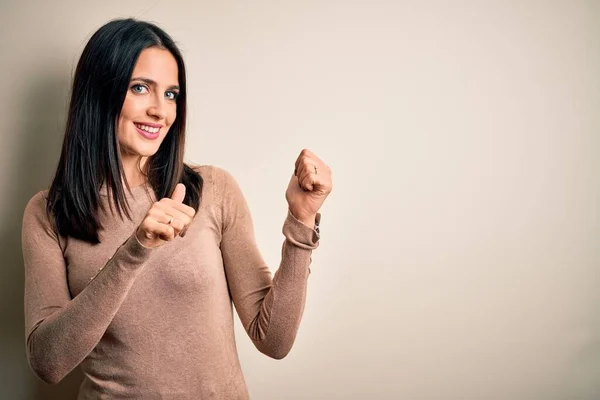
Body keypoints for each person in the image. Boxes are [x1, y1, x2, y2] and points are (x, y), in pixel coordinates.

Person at [21, 18, 332, 399]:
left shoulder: (212, 189)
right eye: (140, 88)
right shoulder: (49, 213)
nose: (160, 111)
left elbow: (274, 340)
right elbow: (48, 363)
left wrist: (301, 221)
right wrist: (134, 252)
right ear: (99, 92)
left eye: (171, 94)